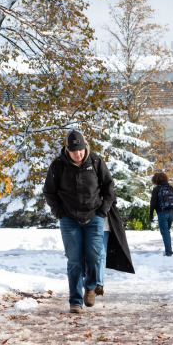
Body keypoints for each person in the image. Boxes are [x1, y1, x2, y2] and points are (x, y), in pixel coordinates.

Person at [44, 129, 115, 314]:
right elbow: (49, 192)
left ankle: (90, 286)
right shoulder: (58, 166)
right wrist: (59, 212)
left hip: (94, 217)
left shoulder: (96, 161)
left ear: (85, 147)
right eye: (74, 150)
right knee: (74, 260)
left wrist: (102, 211)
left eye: (81, 150)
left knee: (94, 255)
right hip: (69, 219)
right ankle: (75, 301)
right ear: (67, 149)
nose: (78, 154)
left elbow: (109, 187)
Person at [149, 172, 173, 256]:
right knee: (167, 232)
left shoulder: (156, 189)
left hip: (162, 213)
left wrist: (151, 214)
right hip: (171, 212)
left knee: (165, 232)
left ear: (155, 180)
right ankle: (169, 248)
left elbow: (153, 203)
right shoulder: (170, 188)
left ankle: (168, 251)